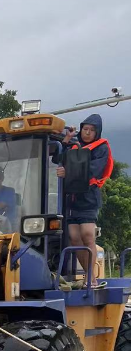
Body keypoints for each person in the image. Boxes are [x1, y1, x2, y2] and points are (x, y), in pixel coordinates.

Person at [56, 114, 113, 288]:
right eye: (85, 129)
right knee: (74, 238)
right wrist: (65, 140)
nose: (87, 133)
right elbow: (57, 160)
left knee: (88, 235)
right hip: (72, 198)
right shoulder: (74, 145)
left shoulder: (101, 147)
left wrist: (68, 173)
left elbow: (93, 170)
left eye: (91, 130)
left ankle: (91, 278)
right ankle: (88, 274)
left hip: (88, 196)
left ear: (97, 132)